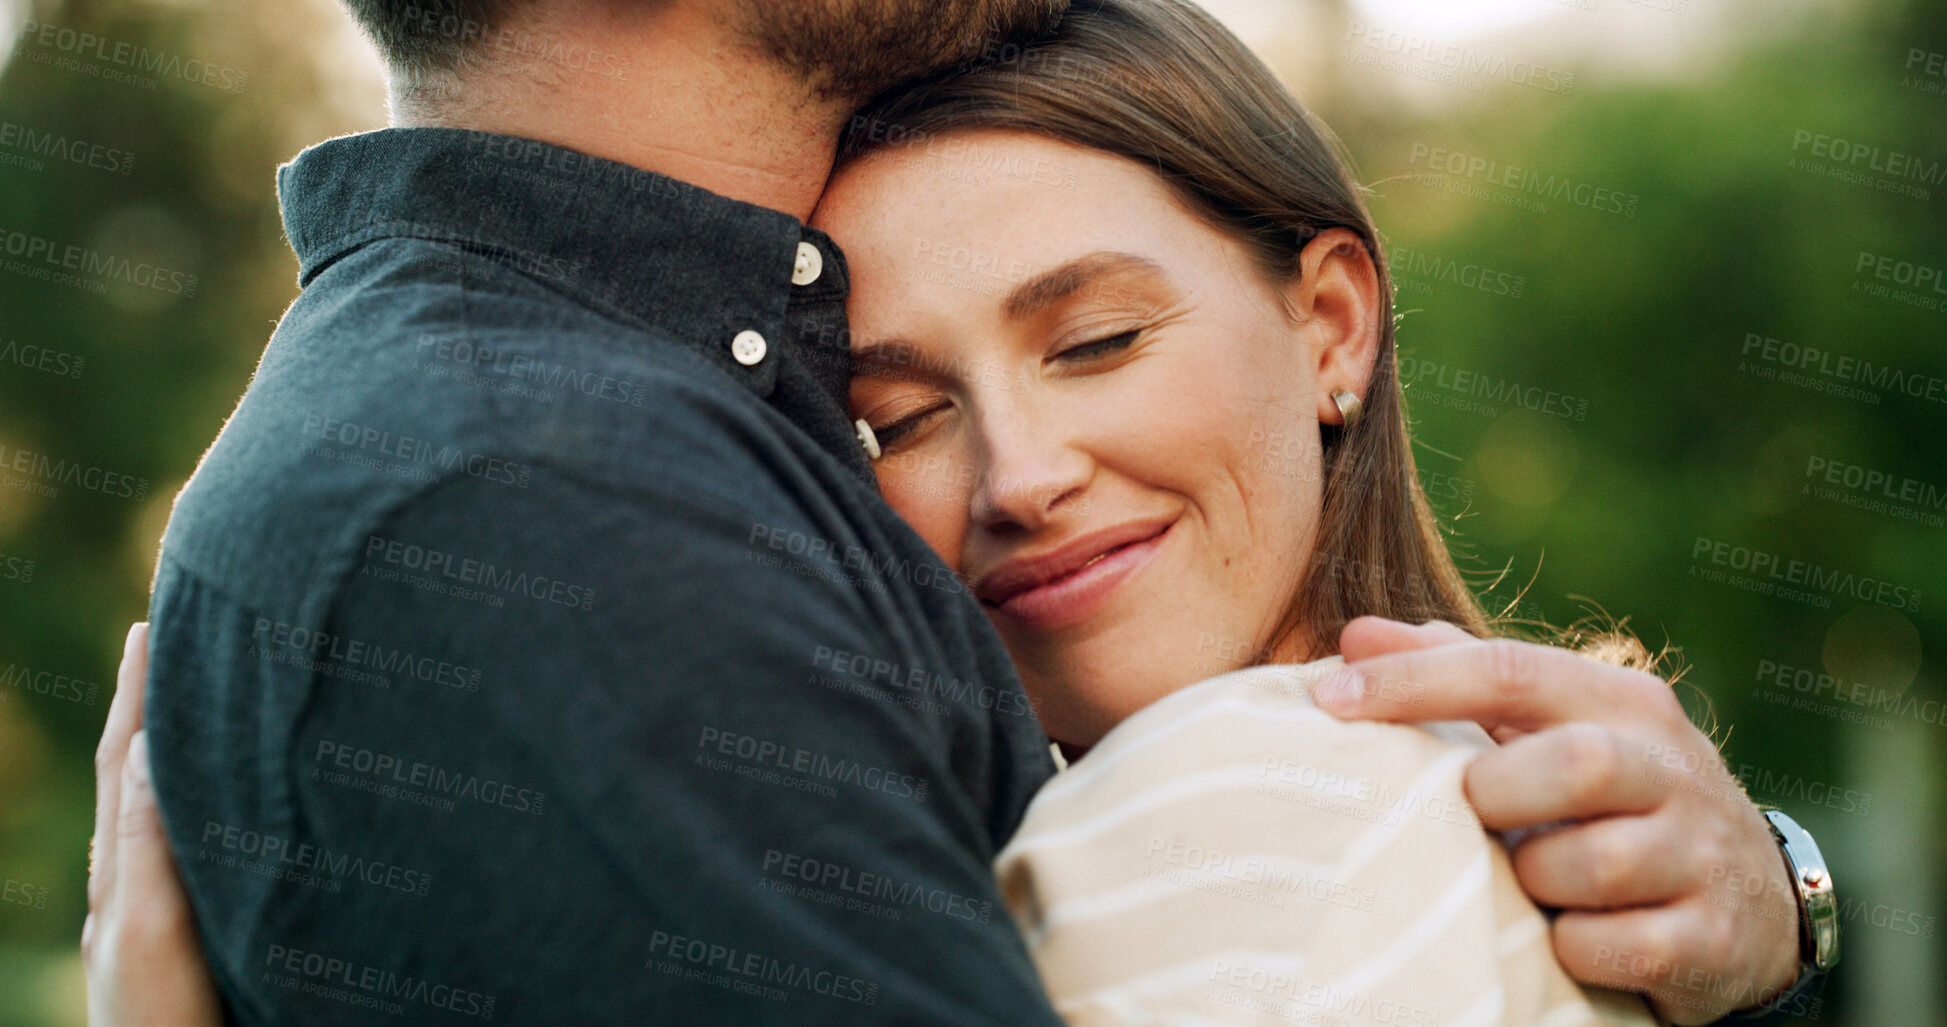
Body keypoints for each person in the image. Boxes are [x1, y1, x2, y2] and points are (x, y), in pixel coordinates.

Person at [86, 0, 1823, 1024]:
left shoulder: (1359, 811)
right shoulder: (553, 525)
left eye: (1099, 336)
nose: (1021, 475)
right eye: (892, 415)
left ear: (1334, 324)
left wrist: (1777, 905)